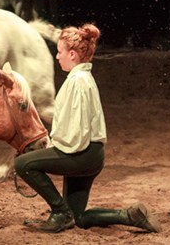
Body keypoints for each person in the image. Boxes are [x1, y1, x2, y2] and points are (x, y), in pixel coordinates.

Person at [14, 23, 162, 234]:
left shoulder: (78, 81)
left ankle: (59, 212)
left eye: (60, 52)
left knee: (23, 164)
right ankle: (130, 216)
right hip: (90, 154)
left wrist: (50, 149)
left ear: (72, 54)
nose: (57, 57)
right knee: (78, 218)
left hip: (82, 154)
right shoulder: (83, 79)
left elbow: (76, 133)